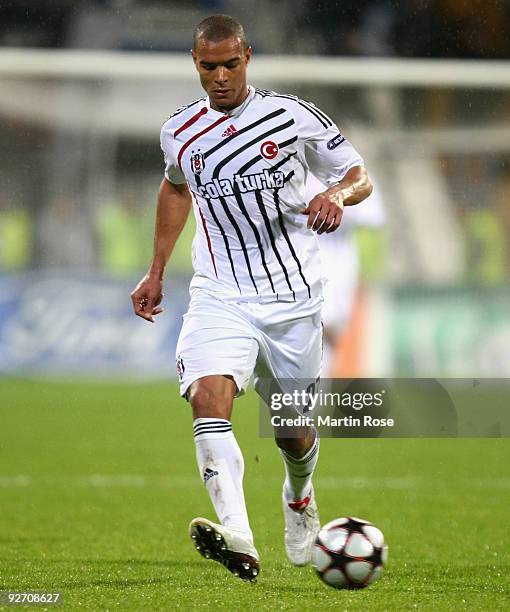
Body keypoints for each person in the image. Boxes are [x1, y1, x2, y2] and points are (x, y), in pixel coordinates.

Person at [130, 14, 372, 581]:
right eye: (208, 66)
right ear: (195, 64)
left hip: (293, 298)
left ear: (248, 57)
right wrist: (156, 269)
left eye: (229, 65)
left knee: (292, 430)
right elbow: (174, 187)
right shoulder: (179, 133)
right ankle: (238, 535)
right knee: (207, 397)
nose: (219, 77)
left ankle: (299, 496)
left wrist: (336, 194)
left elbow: (359, 173)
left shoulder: (291, 117)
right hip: (220, 293)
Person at [304, 173, 385, 375]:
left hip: (338, 268)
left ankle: (317, 387)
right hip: (301, 263)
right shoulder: (297, 174)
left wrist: (337, 201)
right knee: (312, 328)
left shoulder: (356, 177)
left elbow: (374, 217)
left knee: (330, 331)